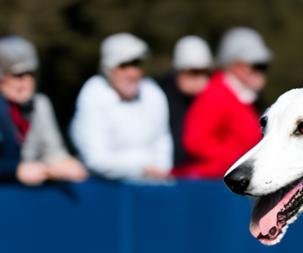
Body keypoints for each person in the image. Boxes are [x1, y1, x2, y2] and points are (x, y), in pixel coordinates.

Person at [69, 33, 172, 180]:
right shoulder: (93, 93)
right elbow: (96, 159)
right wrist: (142, 167)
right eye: (123, 66)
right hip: (104, 189)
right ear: (108, 69)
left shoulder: (152, 92)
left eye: (136, 64)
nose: (132, 73)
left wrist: (159, 170)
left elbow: (162, 142)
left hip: (151, 187)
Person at [178, 27, 270, 178]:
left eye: (263, 67)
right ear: (234, 65)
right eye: (255, 66)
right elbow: (195, 141)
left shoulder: (245, 97)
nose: (260, 73)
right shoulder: (215, 95)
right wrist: (239, 159)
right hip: (215, 184)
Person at [0, 35, 86, 185]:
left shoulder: (40, 105)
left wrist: (64, 163)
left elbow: (52, 150)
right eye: (18, 76)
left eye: (30, 74)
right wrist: (14, 169)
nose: (25, 82)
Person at [156, 35, 212, 169]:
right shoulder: (159, 97)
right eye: (192, 72)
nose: (198, 79)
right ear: (177, 71)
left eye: (203, 72)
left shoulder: (211, 100)